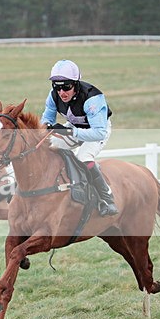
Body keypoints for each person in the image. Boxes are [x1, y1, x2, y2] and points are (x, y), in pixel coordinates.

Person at [40, 59, 119, 216]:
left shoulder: (92, 99)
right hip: (74, 127)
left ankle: (107, 198)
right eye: (57, 86)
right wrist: (47, 127)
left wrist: (68, 132)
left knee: (83, 157)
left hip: (97, 130)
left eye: (66, 87)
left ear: (76, 84)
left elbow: (98, 133)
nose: (61, 92)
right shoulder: (53, 95)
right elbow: (46, 119)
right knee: (48, 148)